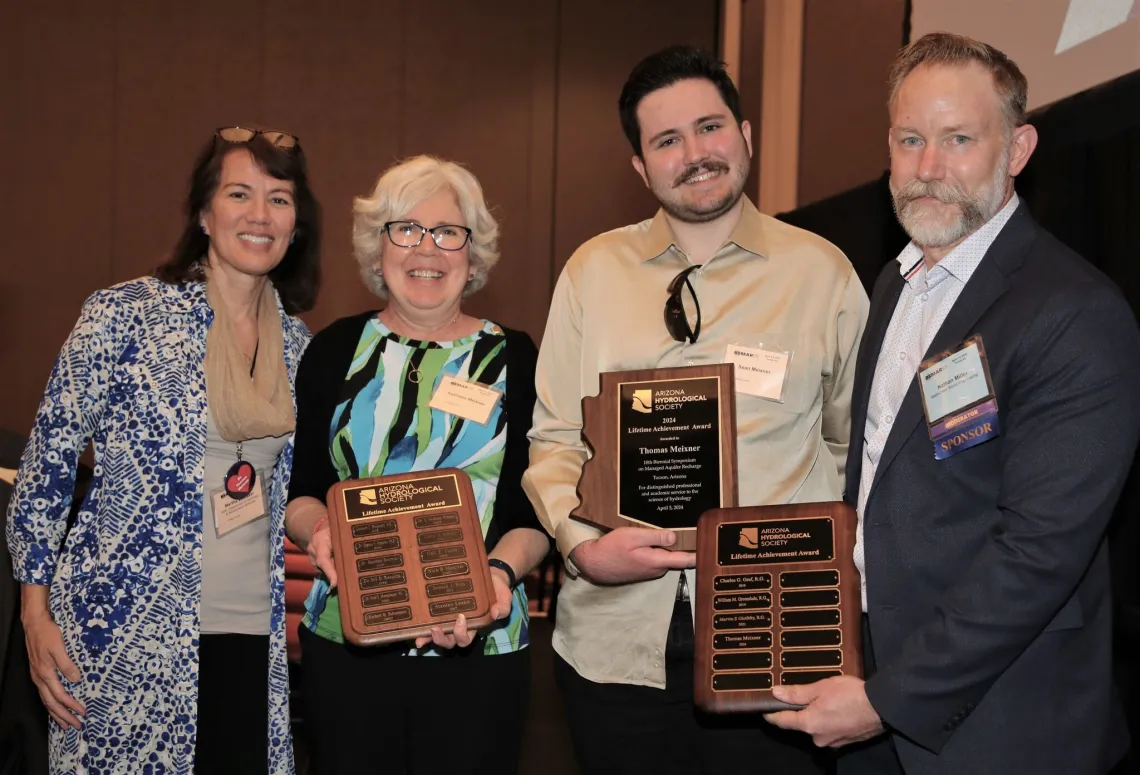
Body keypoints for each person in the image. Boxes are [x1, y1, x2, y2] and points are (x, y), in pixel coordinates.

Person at [764, 33, 1140, 775]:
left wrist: (886, 699)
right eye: (910, 140)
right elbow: (878, 478)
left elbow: (1036, 554)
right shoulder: (894, 285)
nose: (928, 169)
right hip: (871, 691)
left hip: (1000, 726)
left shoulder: (1074, 311)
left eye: (958, 139)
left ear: (1019, 147)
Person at [522, 45, 868, 774]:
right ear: (641, 168)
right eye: (667, 140)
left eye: (709, 128)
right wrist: (582, 542)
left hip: (777, 642)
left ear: (746, 135)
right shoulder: (591, 273)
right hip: (615, 647)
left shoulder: (823, 273)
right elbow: (554, 439)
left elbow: (853, 446)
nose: (696, 153)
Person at [5, 127, 320, 773]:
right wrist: (34, 614)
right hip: (122, 628)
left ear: (297, 223)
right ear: (205, 213)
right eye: (240, 193)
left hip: (252, 633)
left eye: (280, 198)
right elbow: (46, 468)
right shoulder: (122, 315)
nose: (260, 214)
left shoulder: (299, 344)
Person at [285, 155, 549, 775]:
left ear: (472, 253)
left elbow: (533, 513)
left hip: (478, 646)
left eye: (447, 232)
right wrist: (319, 530)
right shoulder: (333, 352)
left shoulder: (516, 358)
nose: (426, 248)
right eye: (405, 229)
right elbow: (301, 492)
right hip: (348, 642)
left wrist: (499, 580)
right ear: (379, 251)